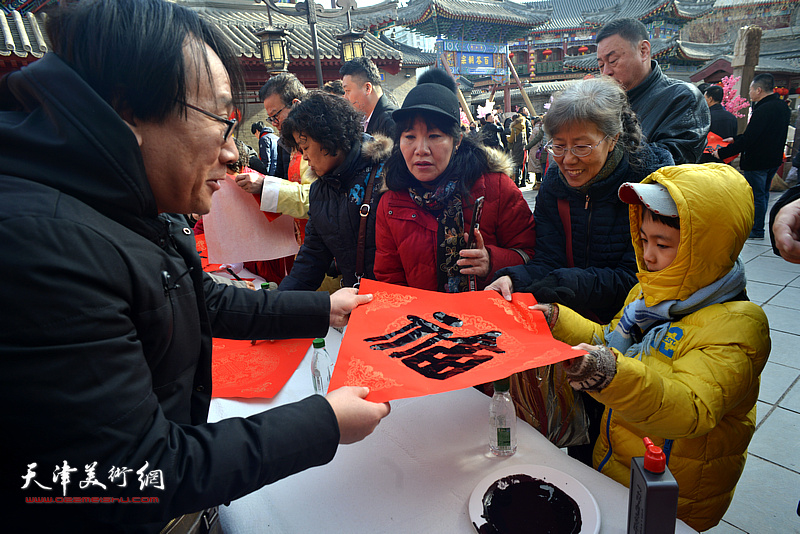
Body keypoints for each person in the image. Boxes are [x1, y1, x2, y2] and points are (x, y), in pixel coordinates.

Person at [0, 1, 391, 531]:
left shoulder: (115, 202)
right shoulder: (41, 245)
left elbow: (198, 296)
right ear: (128, 111)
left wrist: (324, 307)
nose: (234, 154)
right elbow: (139, 471)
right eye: (221, 121)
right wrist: (324, 423)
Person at [532, 163, 769, 531]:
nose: (648, 256)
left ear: (707, 247)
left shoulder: (738, 325)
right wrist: (555, 319)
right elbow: (609, 341)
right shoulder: (648, 294)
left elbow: (690, 408)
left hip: (678, 490)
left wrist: (610, 373)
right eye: (643, 240)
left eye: (663, 245)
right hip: (619, 460)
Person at [485, 77, 673, 463]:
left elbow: (639, 278)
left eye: (582, 146)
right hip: (571, 325)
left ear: (614, 137)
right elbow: (549, 258)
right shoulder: (556, 183)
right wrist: (513, 278)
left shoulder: (649, 187)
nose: (568, 159)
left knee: (614, 446)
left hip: (632, 334)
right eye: (558, 146)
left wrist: (560, 284)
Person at [373, 80, 535, 291]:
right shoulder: (391, 202)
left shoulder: (497, 187)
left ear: (457, 141)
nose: (421, 149)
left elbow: (532, 255)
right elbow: (389, 279)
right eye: (410, 137)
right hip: (420, 320)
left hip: (486, 317)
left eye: (434, 136)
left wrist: (491, 261)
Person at [278, 90, 392, 291]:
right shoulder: (320, 191)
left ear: (327, 136)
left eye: (305, 146)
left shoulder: (387, 174)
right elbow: (311, 258)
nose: (304, 157)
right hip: (359, 303)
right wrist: (278, 308)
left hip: (399, 299)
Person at [595, 18, 709, 164]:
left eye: (613, 61)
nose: (606, 72)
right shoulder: (605, 104)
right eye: (600, 65)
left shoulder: (682, 97)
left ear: (643, 51)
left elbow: (669, 165)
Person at [715, 73, 791, 239]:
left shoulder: (763, 109)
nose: (749, 93)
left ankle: (756, 229)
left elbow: (751, 138)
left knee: (756, 196)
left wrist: (722, 153)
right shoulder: (782, 107)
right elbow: (762, 133)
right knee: (762, 194)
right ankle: (758, 228)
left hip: (758, 160)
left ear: (759, 89)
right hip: (773, 159)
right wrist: (735, 138)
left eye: (750, 89)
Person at [340, 57, 397, 138]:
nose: (345, 98)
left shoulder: (391, 121)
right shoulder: (362, 119)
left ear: (367, 88)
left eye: (347, 91)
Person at [507, 114, 528, 187]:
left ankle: (516, 181)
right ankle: (523, 181)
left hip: (516, 148)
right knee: (523, 164)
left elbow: (511, 139)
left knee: (516, 164)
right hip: (523, 147)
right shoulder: (523, 126)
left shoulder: (514, 128)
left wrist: (508, 138)